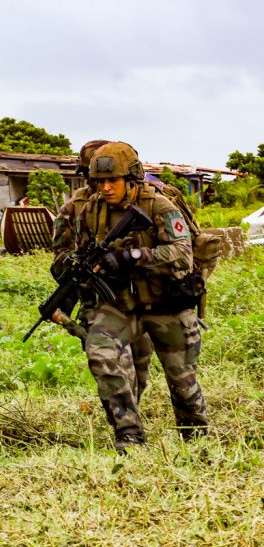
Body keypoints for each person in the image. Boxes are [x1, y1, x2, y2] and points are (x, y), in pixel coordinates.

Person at [66, 141, 208, 451]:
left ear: (131, 178)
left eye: (111, 181)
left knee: (182, 382)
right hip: (120, 304)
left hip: (165, 303)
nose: (104, 188)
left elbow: (183, 255)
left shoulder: (160, 207)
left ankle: (196, 441)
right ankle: (129, 434)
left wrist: (132, 256)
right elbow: (81, 248)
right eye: (99, 182)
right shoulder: (92, 210)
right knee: (101, 356)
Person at [50, 139, 153, 402]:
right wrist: (81, 264)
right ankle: (126, 425)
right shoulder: (77, 206)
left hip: (138, 297)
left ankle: (132, 412)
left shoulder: (141, 199)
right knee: (114, 363)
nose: (102, 184)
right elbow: (59, 257)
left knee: (140, 364)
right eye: (96, 177)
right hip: (98, 302)